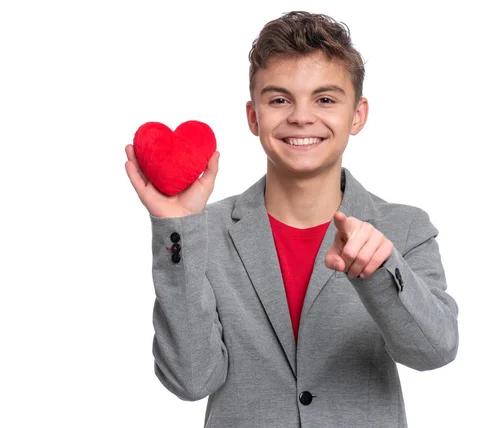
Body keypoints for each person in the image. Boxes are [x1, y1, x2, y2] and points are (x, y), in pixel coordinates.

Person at [125, 10, 459, 428]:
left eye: (325, 99)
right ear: (253, 116)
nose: (302, 116)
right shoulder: (201, 233)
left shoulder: (404, 229)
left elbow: (435, 350)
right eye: (280, 99)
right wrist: (177, 230)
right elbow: (191, 380)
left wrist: (381, 270)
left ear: (357, 114)